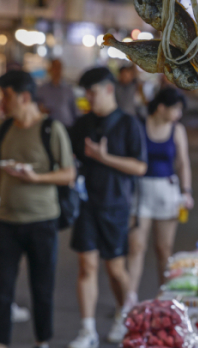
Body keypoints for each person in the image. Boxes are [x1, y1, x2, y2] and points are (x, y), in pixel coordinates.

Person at [68, 67, 147, 347]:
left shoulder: (129, 124)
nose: (89, 98)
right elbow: (70, 159)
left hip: (116, 204)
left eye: (93, 92)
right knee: (87, 265)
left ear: (109, 89)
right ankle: (87, 329)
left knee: (115, 269)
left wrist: (105, 157)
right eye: (86, 93)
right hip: (86, 203)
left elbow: (139, 167)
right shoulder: (82, 124)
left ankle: (125, 313)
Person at [0, 70, 76, 348]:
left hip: (42, 221)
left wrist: (37, 178)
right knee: (2, 290)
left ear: (24, 97)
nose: (2, 103)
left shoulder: (50, 129)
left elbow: (69, 174)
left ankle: (42, 341)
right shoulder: (5, 128)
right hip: (6, 220)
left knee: (42, 289)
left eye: (6, 96)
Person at [128, 88, 194, 302]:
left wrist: (187, 191)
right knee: (136, 246)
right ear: (161, 108)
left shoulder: (177, 130)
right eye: (175, 109)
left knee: (163, 249)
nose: (178, 114)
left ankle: (164, 297)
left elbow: (183, 163)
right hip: (140, 192)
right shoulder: (139, 125)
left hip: (167, 193)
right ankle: (129, 299)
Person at [37, 59, 79, 127]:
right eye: (55, 67)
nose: (57, 70)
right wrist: (41, 109)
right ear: (50, 69)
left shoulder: (68, 89)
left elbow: (74, 110)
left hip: (66, 125)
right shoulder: (42, 89)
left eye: (59, 67)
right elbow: (36, 106)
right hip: (49, 126)